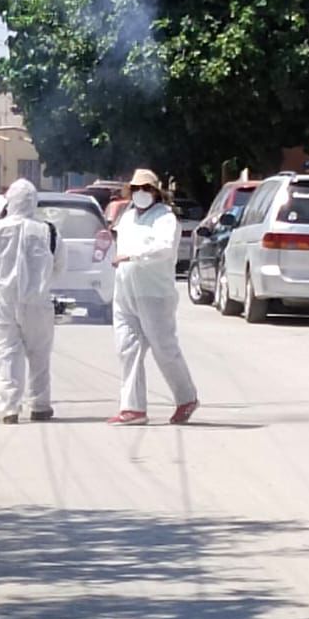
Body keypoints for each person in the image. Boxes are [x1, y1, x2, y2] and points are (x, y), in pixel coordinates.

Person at [109, 168, 199, 426]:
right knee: (127, 349)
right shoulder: (127, 217)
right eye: (136, 189)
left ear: (156, 192)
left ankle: (186, 397)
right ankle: (133, 408)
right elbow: (118, 245)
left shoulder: (165, 218)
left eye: (146, 189)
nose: (140, 193)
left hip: (154, 294)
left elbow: (163, 248)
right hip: (125, 291)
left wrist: (133, 255)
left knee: (164, 348)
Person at [0, 178, 66, 424]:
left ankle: (10, 409)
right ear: (34, 202)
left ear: (10, 202)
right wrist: (42, 284)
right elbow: (59, 265)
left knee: (7, 353)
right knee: (39, 354)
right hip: (38, 302)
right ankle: (40, 406)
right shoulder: (48, 230)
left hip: (4, 300)